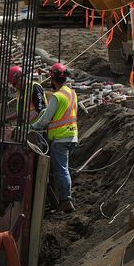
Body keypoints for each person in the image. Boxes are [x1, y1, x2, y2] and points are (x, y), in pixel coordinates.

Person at [32, 62, 78, 214]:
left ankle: (66, 200)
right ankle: (61, 201)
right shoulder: (72, 93)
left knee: (62, 170)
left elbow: (45, 119)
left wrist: (33, 127)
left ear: (52, 79)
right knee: (62, 169)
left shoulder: (57, 96)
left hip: (61, 138)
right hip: (72, 136)